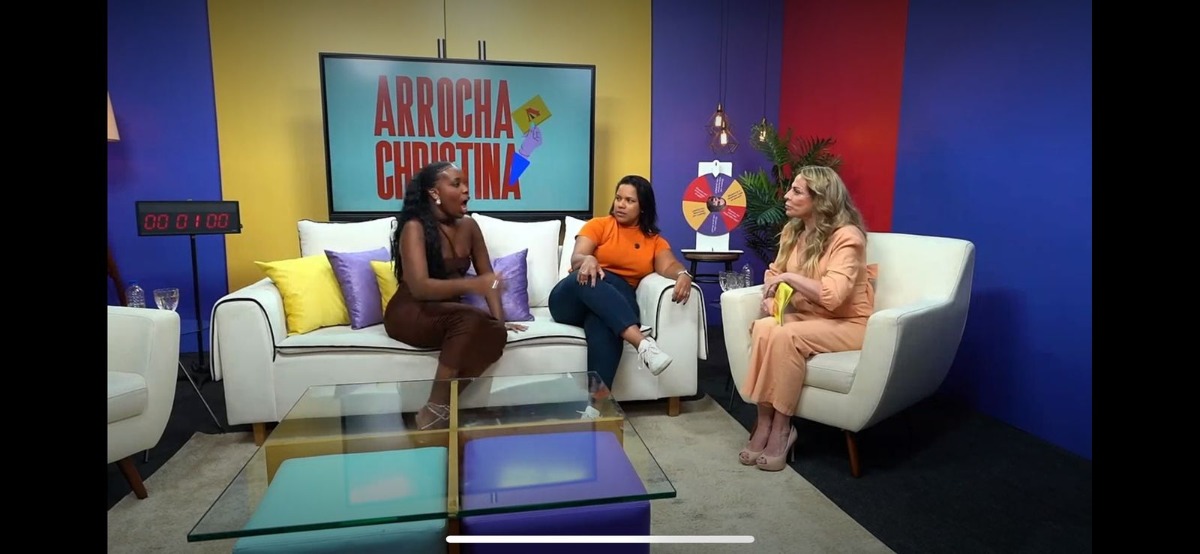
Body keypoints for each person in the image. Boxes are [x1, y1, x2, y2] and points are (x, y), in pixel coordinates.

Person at [740, 165, 876, 471]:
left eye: (796, 191)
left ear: (820, 199)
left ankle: (782, 428)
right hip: (808, 316)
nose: (786, 196)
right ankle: (763, 422)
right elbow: (774, 274)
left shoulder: (847, 237)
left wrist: (789, 278)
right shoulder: (794, 231)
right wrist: (773, 297)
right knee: (764, 327)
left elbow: (832, 296)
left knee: (785, 334)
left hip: (847, 323)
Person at [384, 161, 528, 430]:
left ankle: (436, 408)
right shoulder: (414, 227)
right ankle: (435, 412)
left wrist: (498, 322)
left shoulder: (470, 226)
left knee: (495, 333)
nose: (466, 190)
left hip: (448, 314)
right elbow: (420, 287)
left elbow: (488, 278)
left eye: (466, 184)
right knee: (468, 319)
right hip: (410, 312)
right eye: (456, 184)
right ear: (434, 193)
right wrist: (473, 286)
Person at [548, 175, 694, 392]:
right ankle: (642, 344)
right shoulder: (598, 225)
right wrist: (588, 259)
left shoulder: (653, 240)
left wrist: (683, 274)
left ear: (643, 207)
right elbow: (577, 258)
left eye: (629, 200)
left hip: (616, 301)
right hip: (572, 298)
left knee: (603, 324)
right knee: (589, 278)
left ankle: (596, 403)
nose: (621, 204)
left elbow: (669, 265)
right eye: (618, 198)